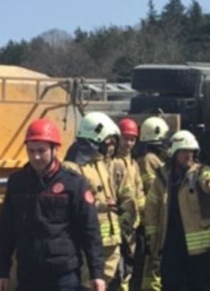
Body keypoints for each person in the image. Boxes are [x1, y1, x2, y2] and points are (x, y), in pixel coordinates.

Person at [0, 118, 105, 291]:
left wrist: (97, 273)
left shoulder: (74, 184)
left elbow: (90, 231)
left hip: (63, 277)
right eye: (31, 151)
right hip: (28, 276)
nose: (36, 156)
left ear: (55, 149)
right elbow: (6, 231)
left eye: (41, 151)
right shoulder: (17, 183)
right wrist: (1, 272)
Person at [62, 112, 137, 290]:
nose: (111, 148)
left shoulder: (104, 164)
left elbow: (125, 197)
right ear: (95, 140)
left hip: (112, 242)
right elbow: (73, 207)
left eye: (113, 143)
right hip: (89, 245)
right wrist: (101, 206)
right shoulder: (71, 168)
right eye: (108, 143)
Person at [145, 130, 210, 291]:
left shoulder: (200, 172)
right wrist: (152, 238)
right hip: (171, 243)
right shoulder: (162, 177)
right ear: (174, 153)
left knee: (198, 285)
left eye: (191, 151)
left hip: (198, 247)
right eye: (184, 151)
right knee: (171, 284)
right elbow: (151, 208)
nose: (189, 155)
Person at [136, 116, 170, 291]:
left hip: (149, 216)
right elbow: (154, 188)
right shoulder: (151, 160)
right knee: (153, 262)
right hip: (151, 217)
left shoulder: (146, 159)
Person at [116, 118, 146, 291]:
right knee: (120, 268)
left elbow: (139, 192)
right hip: (121, 223)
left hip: (133, 225)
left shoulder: (133, 163)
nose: (128, 143)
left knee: (129, 267)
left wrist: (144, 214)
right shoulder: (114, 163)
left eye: (132, 139)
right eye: (125, 138)